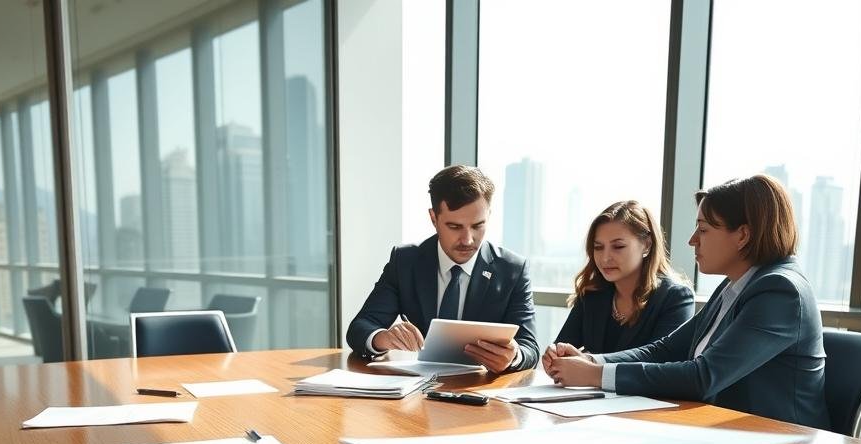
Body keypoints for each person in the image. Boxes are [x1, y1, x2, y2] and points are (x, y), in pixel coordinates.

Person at [544, 174, 830, 429]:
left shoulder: (780, 291)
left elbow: (704, 376)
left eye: (703, 229)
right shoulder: (735, 286)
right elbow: (667, 349)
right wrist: (591, 360)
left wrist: (597, 374)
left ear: (743, 235)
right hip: (724, 433)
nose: (692, 240)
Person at [345, 165, 538, 373]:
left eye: (478, 225)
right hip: (416, 391)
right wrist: (383, 338)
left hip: (481, 393)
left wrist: (514, 356)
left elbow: (530, 348)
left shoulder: (513, 270)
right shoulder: (405, 261)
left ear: (489, 215)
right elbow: (360, 327)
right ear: (433, 218)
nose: (468, 239)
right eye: (454, 227)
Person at [543, 200, 693, 362]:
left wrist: (591, 364)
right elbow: (562, 346)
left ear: (647, 246)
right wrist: (554, 355)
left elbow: (660, 360)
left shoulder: (675, 297)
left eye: (618, 247)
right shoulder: (593, 294)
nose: (605, 258)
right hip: (590, 388)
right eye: (598, 247)